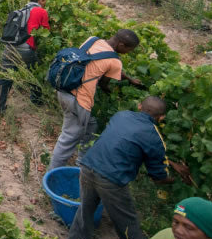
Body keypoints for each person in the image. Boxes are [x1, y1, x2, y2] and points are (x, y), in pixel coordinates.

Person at [67, 97, 177, 239]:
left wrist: (170, 162)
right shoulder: (154, 136)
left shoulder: (121, 115)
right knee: (128, 222)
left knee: (85, 209)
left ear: (139, 106)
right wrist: (174, 179)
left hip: (88, 165)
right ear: (161, 118)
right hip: (111, 178)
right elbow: (158, 177)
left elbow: (125, 140)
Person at [50, 28, 143, 168]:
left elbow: (94, 63)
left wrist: (128, 79)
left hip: (64, 89)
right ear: (122, 45)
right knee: (68, 139)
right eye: (129, 50)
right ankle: (52, 173)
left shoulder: (93, 40)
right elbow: (104, 83)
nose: (128, 53)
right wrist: (116, 96)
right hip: (79, 100)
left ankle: (82, 162)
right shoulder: (115, 62)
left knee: (91, 124)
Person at [0, 0, 50, 113]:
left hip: (10, 48)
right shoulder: (41, 11)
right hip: (26, 50)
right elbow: (46, 32)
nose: (45, 3)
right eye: (45, 1)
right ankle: (36, 101)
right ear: (41, 0)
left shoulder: (21, 11)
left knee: (5, 77)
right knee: (35, 74)